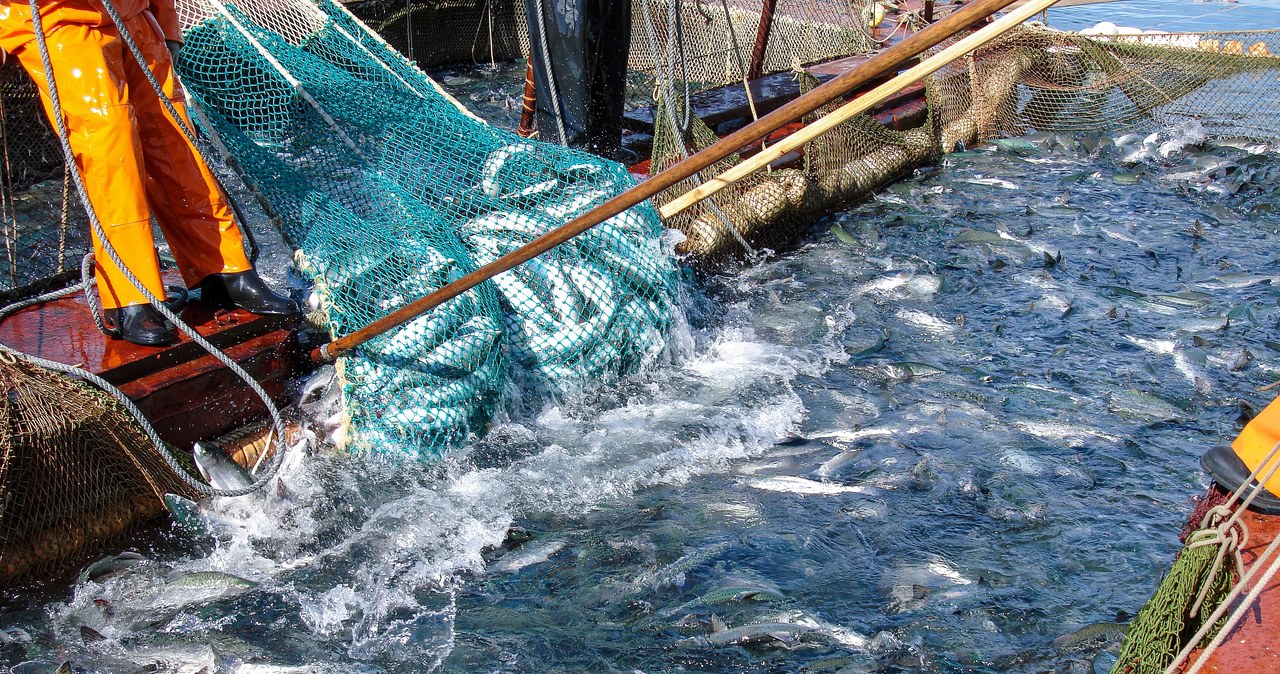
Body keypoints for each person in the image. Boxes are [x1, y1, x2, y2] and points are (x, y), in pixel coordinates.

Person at [0, 0, 296, 347]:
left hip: (135, 14)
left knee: (175, 138)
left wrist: (166, 21)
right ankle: (130, 297)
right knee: (110, 149)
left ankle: (222, 268)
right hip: (58, 20)